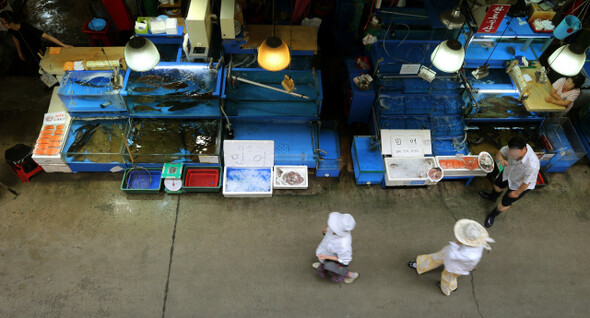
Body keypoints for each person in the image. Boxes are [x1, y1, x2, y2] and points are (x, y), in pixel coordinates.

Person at [408, 219, 494, 296]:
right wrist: (471, 267)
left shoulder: (469, 254)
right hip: (457, 260)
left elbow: (452, 255)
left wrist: (457, 243)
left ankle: (448, 287)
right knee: (436, 258)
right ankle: (421, 265)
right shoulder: (479, 242)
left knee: (448, 277)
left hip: (455, 266)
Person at [479, 135, 540, 228]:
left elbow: (527, 183)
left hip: (520, 185)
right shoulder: (513, 147)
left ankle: (493, 215)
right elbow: (499, 153)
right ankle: (492, 197)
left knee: (505, 202)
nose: (512, 156)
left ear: (524, 149)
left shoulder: (532, 165)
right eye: (511, 154)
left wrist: (517, 192)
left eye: (515, 154)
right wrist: (501, 160)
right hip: (509, 172)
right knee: (497, 186)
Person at [0, 10, 72, 68]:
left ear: (11, 22)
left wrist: (63, 45)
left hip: (38, 50)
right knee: (35, 67)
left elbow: (46, 36)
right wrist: (19, 52)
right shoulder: (11, 29)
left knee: (45, 65)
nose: (2, 25)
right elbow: (15, 38)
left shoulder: (26, 27)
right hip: (27, 52)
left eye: (3, 23)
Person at [313, 212, 359, 284]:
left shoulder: (344, 245)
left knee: (338, 271)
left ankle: (352, 275)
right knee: (324, 263)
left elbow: (344, 260)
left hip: (333, 260)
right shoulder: (335, 229)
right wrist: (326, 230)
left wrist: (326, 257)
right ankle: (322, 263)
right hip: (326, 253)